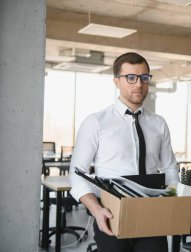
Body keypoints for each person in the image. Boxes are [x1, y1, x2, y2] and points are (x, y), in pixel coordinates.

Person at [69, 52, 179, 252]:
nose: (138, 84)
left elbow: (170, 166)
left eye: (144, 78)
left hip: (152, 213)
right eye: (131, 78)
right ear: (116, 81)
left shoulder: (159, 123)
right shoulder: (96, 122)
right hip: (111, 213)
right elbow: (77, 172)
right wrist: (96, 210)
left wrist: (173, 200)